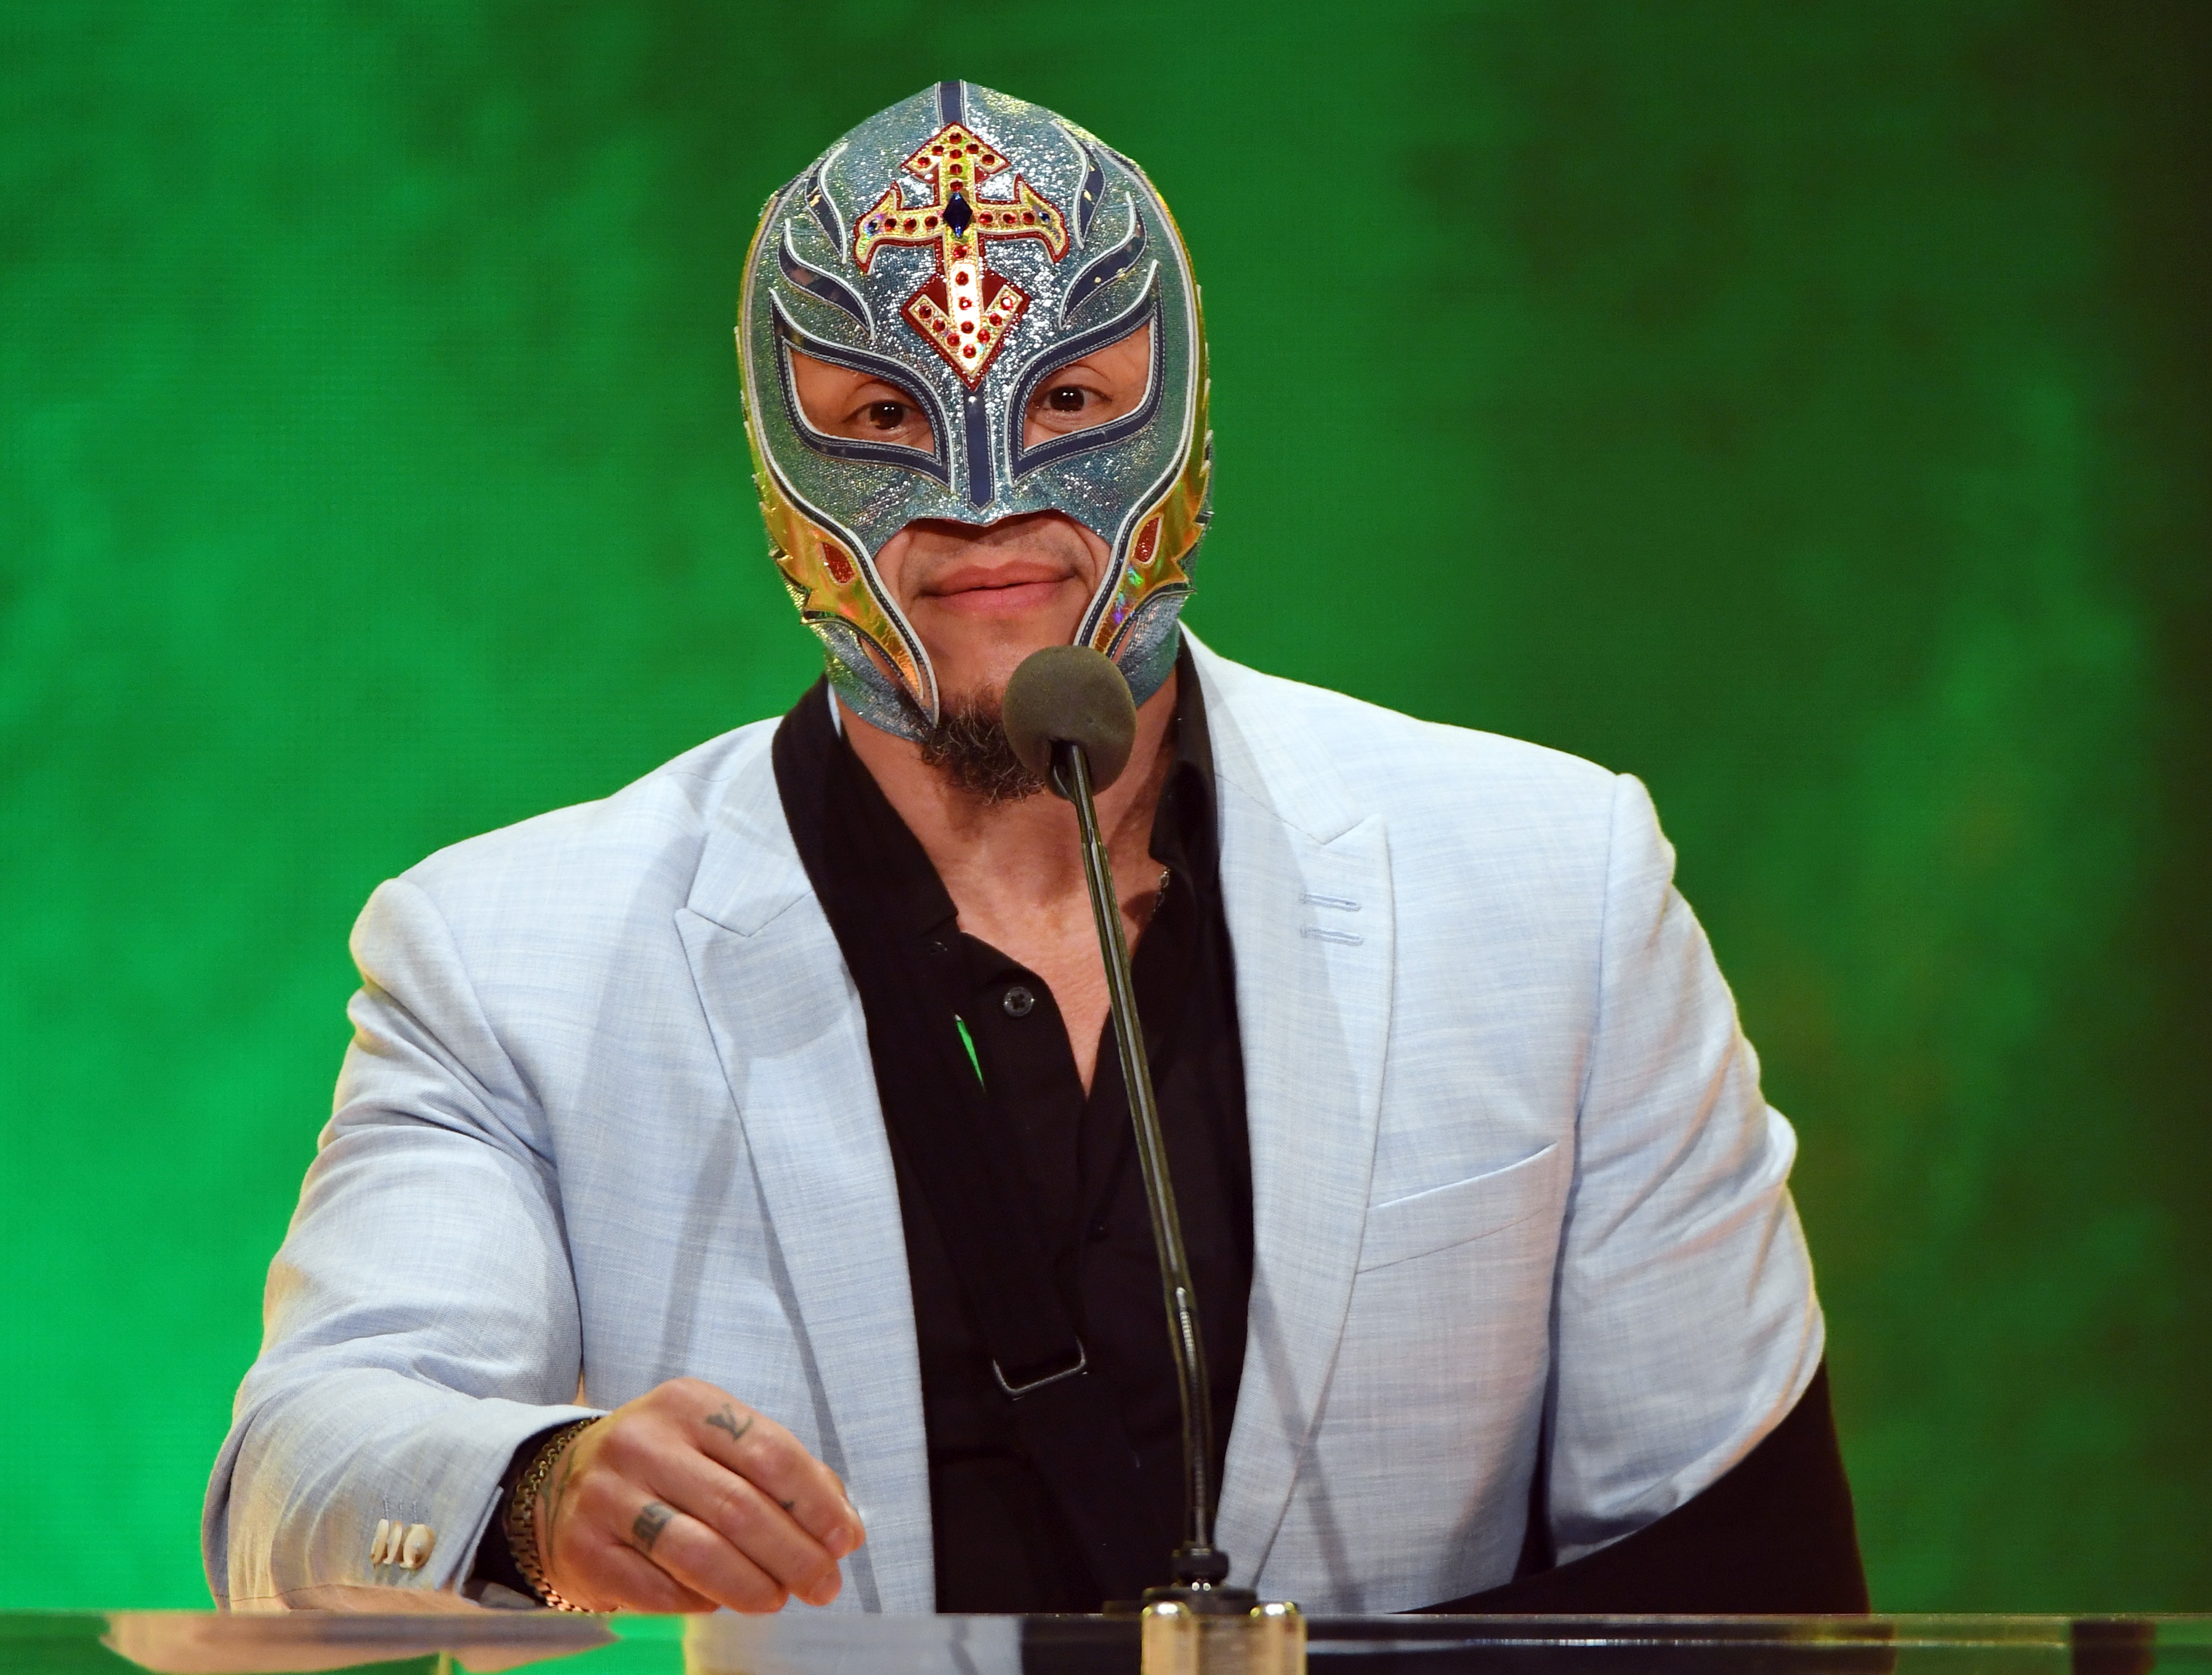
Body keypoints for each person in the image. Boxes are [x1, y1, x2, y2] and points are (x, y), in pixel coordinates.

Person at [204, 82, 1865, 1617]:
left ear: (1186, 417)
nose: (986, 498)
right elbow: (298, 1476)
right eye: (880, 413)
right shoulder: (514, 957)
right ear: (774, 460)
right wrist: (538, 1488)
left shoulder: (1551, 887)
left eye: (1071, 398)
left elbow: (1738, 1565)